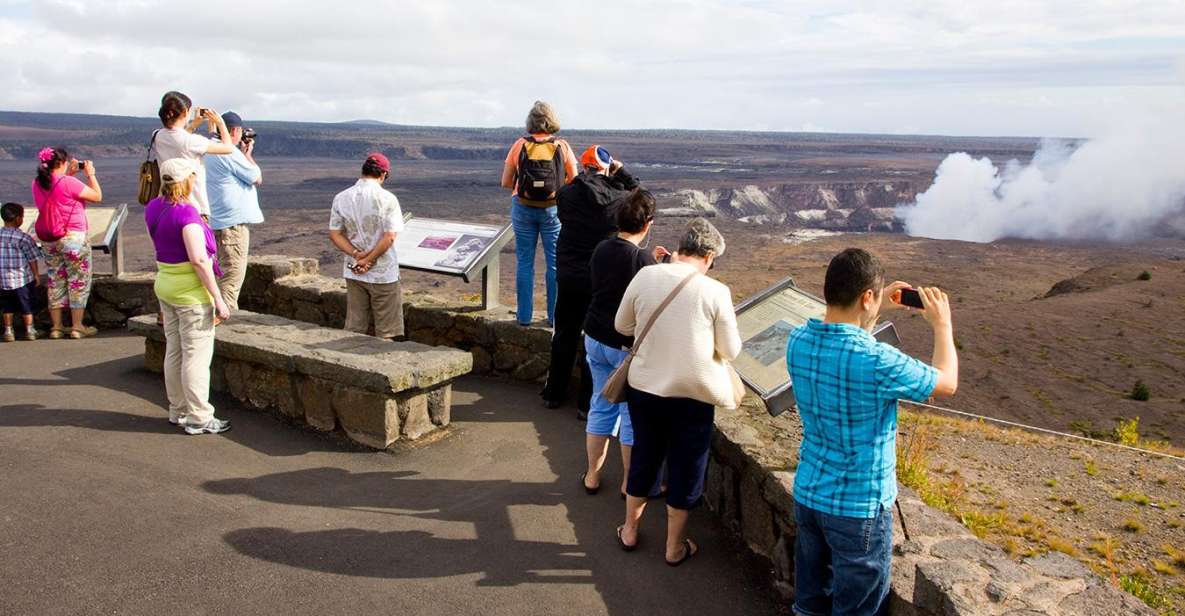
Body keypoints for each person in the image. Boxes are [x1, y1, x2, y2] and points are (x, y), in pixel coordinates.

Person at [786, 248, 958, 616]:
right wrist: (942, 325)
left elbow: (836, 327)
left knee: (809, 604)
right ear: (867, 297)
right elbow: (946, 383)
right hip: (858, 509)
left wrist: (875, 308)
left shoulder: (797, 341)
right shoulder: (876, 359)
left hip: (809, 494)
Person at [614, 218, 740, 566]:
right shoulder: (715, 292)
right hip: (693, 396)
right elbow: (731, 350)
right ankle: (674, 547)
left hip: (645, 388)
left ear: (681, 246)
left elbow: (621, 325)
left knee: (644, 456)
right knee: (687, 467)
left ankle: (629, 530)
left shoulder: (646, 275)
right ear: (710, 255)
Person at [580, 189, 668, 497]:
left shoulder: (602, 248)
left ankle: (592, 474)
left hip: (594, 336)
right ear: (648, 223)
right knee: (630, 415)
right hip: (623, 347)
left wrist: (651, 261)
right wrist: (657, 264)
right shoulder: (641, 259)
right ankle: (629, 483)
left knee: (600, 405)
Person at [541, 145, 641, 414]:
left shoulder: (566, 195)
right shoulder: (618, 198)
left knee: (564, 333)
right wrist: (621, 173)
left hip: (569, 275)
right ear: (606, 168)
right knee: (592, 338)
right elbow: (640, 196)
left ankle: (553, 393)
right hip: (600, 279)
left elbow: (570, 190)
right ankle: (586, 404)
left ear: (585, 167)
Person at [145, 158, 232, 435]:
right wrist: (218, 299)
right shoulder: (187, 216)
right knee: (195, 356)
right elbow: (199, 260)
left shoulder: (153, 207)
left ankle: (177, 409)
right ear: (188, 180)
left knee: (175, 350)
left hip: (165, 284)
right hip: (191, 295)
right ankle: (199, 416)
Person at [499, 101, 578, 326]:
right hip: (553, 210)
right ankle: (554, 318)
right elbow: (574, 179)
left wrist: (525, 186)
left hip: (523, 208)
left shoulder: (519, 145)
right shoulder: (562, 146)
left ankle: (524, 317)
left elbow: (505, 181)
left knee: (524, 262)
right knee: (554, 263)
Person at [328, 153, 406, 340]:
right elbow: (389, 237)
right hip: (383, 273)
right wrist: (369, 260)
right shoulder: (388, 199)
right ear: (383, 174)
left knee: (355, 327)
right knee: (388, 331)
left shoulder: (341, 197)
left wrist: (357, 256)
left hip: (354, 270)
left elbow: (335, 234)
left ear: (363, 171)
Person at [31, 147, 102, 339]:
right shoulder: (69, 182)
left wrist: (69, 174)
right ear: (62, 163)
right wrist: (90, 175)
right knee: (77, 280)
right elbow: (97, 196)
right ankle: (77, 326)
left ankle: (56, 327)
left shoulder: (37, 183)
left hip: (49, 238)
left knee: (55, 280)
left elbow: (55, 191)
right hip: (73, 237)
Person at [205, 111, 263, 310]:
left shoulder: (208, 148)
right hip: (232, 224)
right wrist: (247, 156)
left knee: (219, 272)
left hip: (215, 221)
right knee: (231, 274)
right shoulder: (227, 151)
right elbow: (256, 177)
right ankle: (226, 319)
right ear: (235, 130)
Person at [150, 91, 236, 218]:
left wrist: (193, 125)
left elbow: (178, 139)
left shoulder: (157, 135)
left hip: (165, 202)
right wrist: (220, 123)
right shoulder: (192, 141)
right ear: (185, 112)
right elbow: (229, 148)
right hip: (192, 205)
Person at [0, 202, 43, 342]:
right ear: (18, 219)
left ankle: (8, 331)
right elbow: (32, 258)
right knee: (27, 306)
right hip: (22, 279)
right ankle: (30, 330)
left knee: (7, 307)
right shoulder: (24, 238)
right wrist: (36, 275)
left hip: (2, 280)